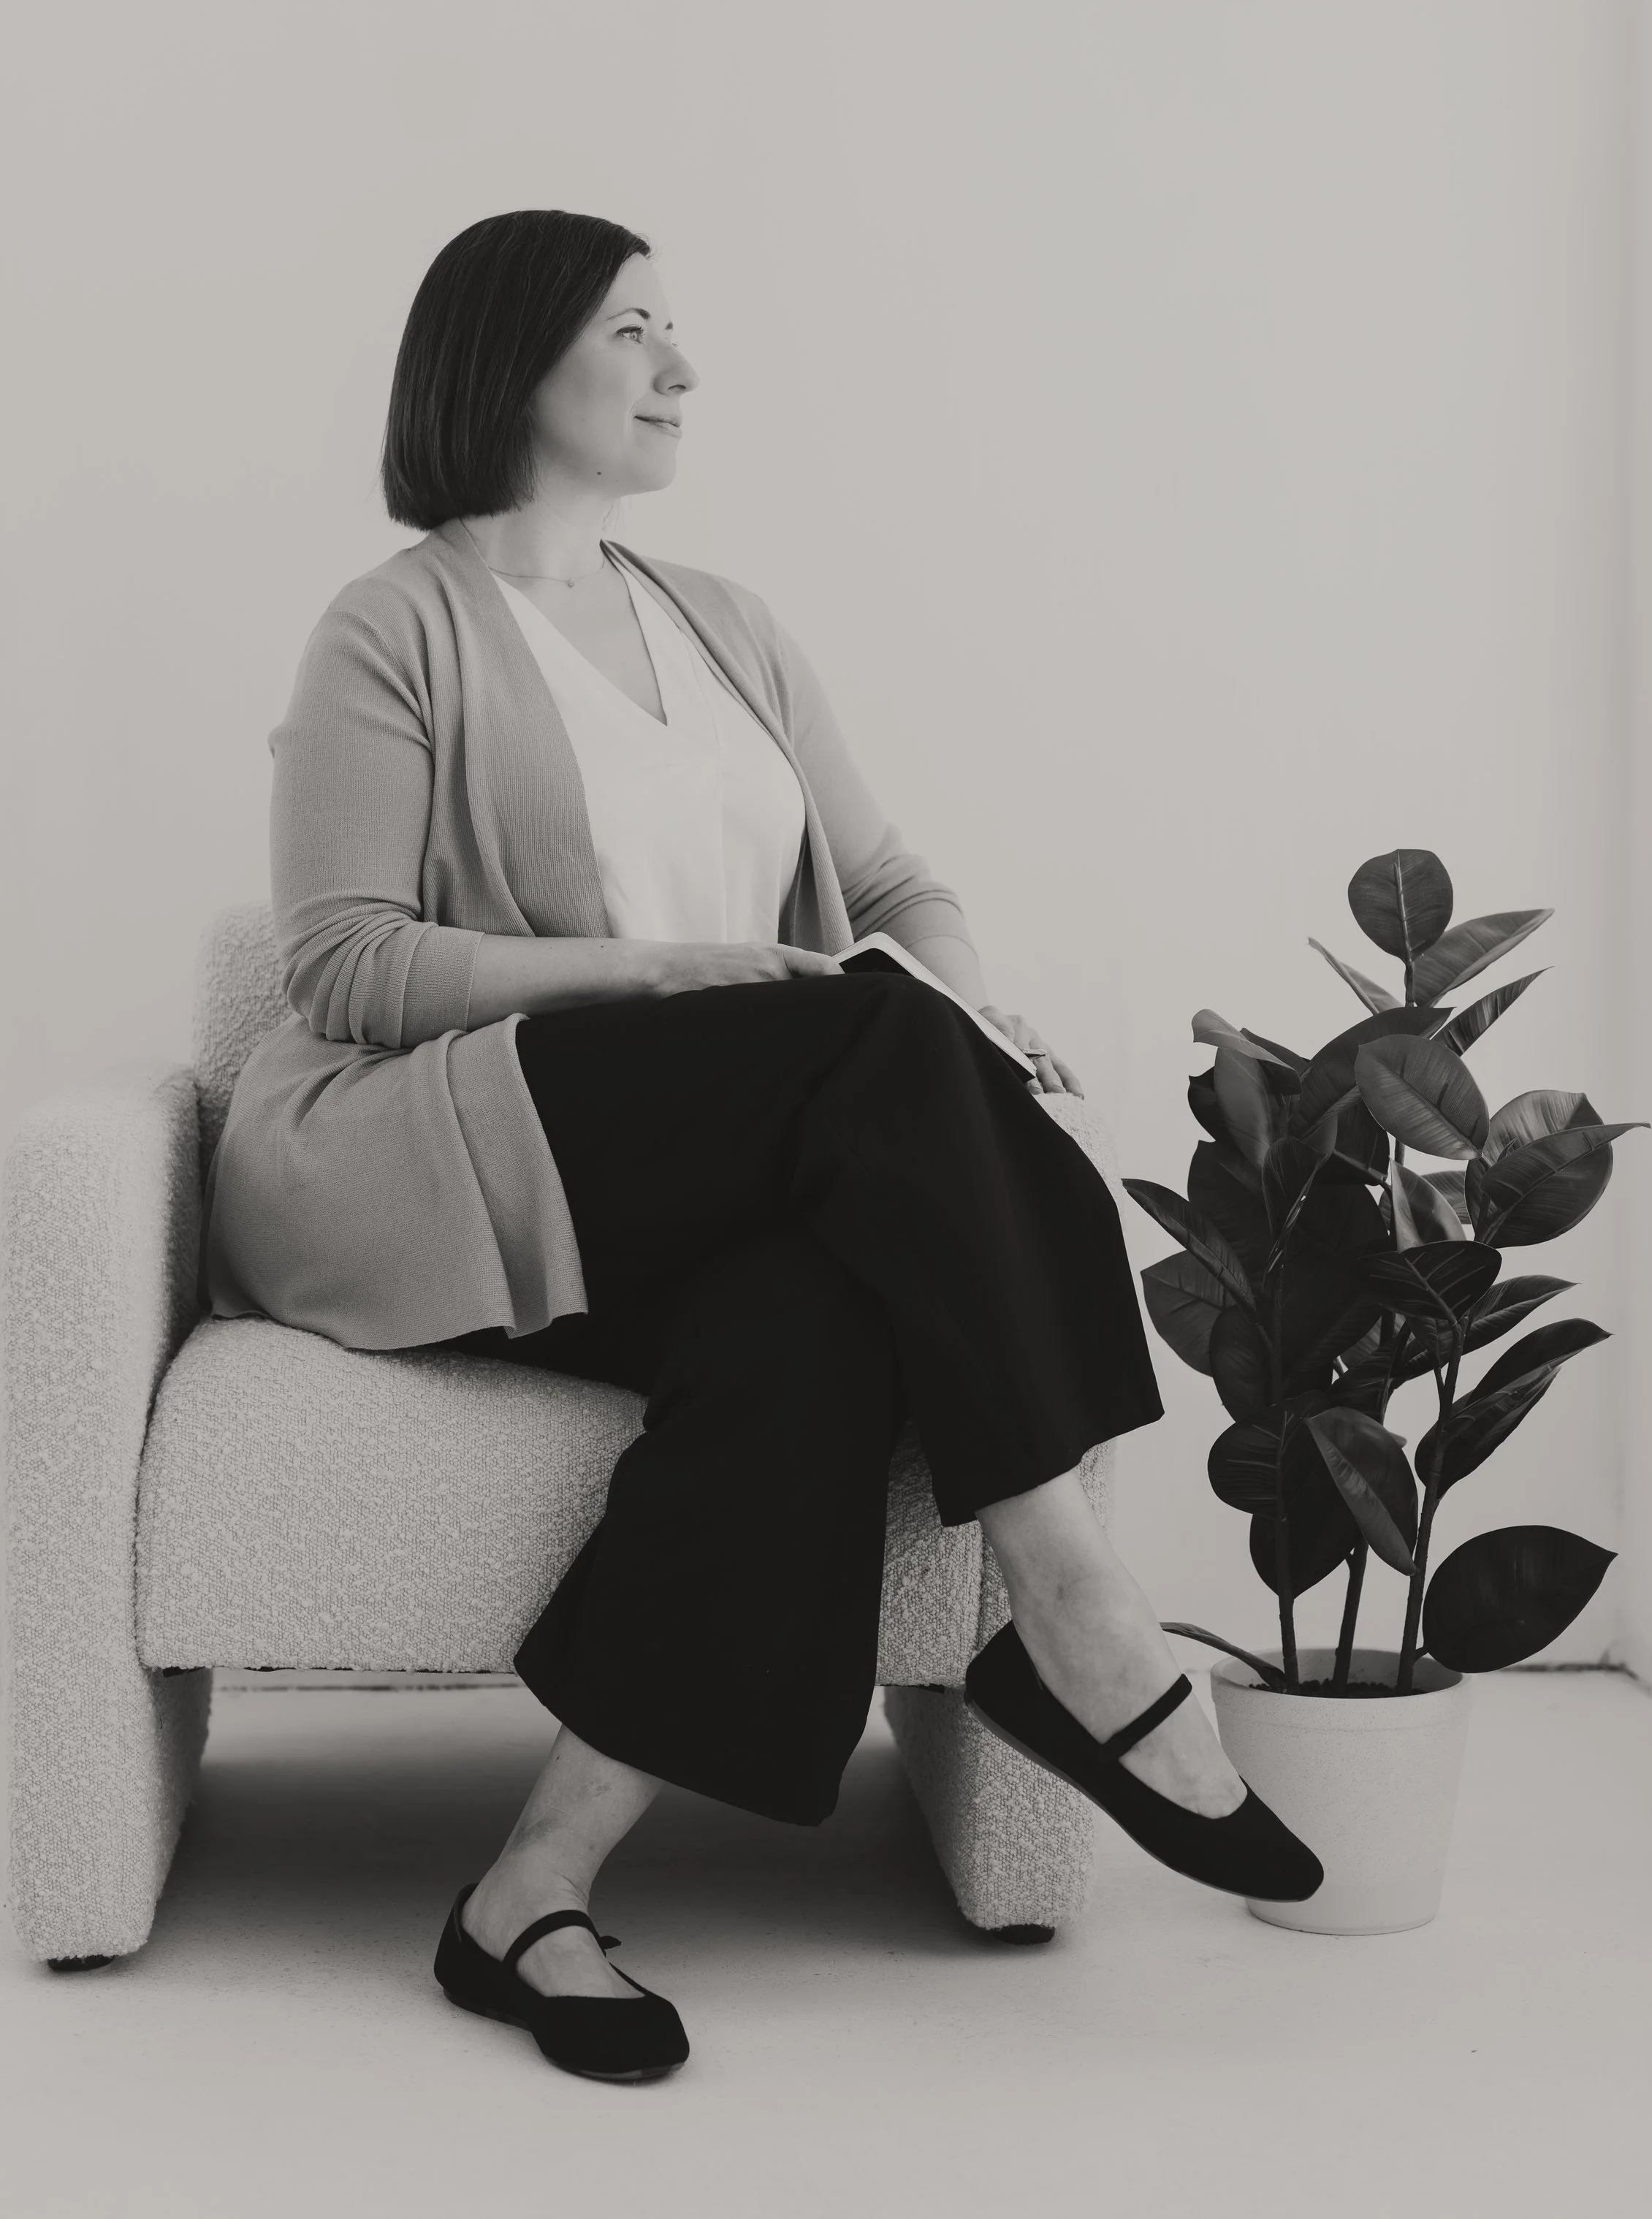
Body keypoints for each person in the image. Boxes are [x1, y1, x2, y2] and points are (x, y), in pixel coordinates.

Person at [199, 208, 1320, 2087]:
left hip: (739, 1165)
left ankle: (527, 1894)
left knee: (814, 1323)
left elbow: (889, 887)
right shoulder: (388, 627)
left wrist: (958, 1009)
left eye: (672, 331)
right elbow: (342, 960)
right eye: (634, 332)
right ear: (510, 363)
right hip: (445, 1161)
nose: (681, 368)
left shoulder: (725, 625)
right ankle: (1078, 1613)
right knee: (869, 1031)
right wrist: (671, 974)